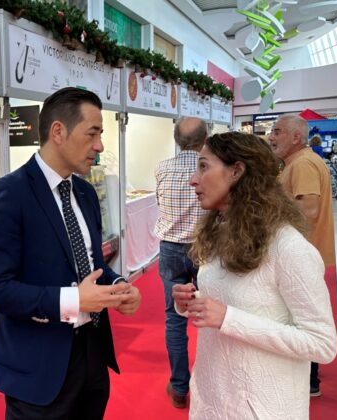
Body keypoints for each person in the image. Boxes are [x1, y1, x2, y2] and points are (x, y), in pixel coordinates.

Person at [0, 87, 142, 419]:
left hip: (92, 354)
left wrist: (118, 285)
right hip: (38, 368)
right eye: (92, 133)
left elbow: (91, 265)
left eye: (101, 135)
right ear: (58, 132)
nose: (100, 146)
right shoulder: (9, 194)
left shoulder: (85, 193)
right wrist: (73, 300)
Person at [172, 132, 337, 419]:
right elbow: (238, 298)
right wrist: (191, 302)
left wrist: (228, 318)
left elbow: (321, 344)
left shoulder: (289, 247)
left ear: (236, 171)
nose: (193, 180)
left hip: (263, 406)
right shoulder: (220, 231)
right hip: (212, 395)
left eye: (203, 167)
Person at [269, 114, 336, 396]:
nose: (271, 137)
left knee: (300, 317)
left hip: (301, 255)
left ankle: (309, 380)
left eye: (277, 131)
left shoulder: (303, 164)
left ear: (296, 137)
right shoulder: (296, 163)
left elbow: (309, 210)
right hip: (303, 253)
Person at [154, 116, 208, 408]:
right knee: (210, 316)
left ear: (176, 139)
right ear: (204, 139)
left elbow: (159, 203)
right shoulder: (209, 168)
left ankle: (178, 387)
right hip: (206, 248)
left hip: (171, 248)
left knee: (174, 319)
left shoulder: (162, 168)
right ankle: (210, 383)